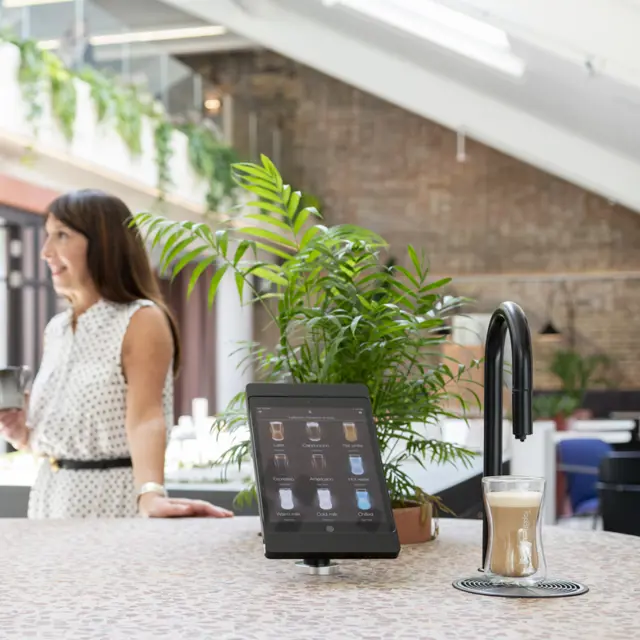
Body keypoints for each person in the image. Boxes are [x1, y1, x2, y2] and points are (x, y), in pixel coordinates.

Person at [0, 189, 233, 519]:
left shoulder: (141, 318)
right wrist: (23, 433)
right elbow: (64, 437)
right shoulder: (58, 329)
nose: (46, 252)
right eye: (47, 236)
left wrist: (151, 493)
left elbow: (146, 417)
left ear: (104, 244)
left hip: (108, 502)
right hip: (48, 501)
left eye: (62, 236)